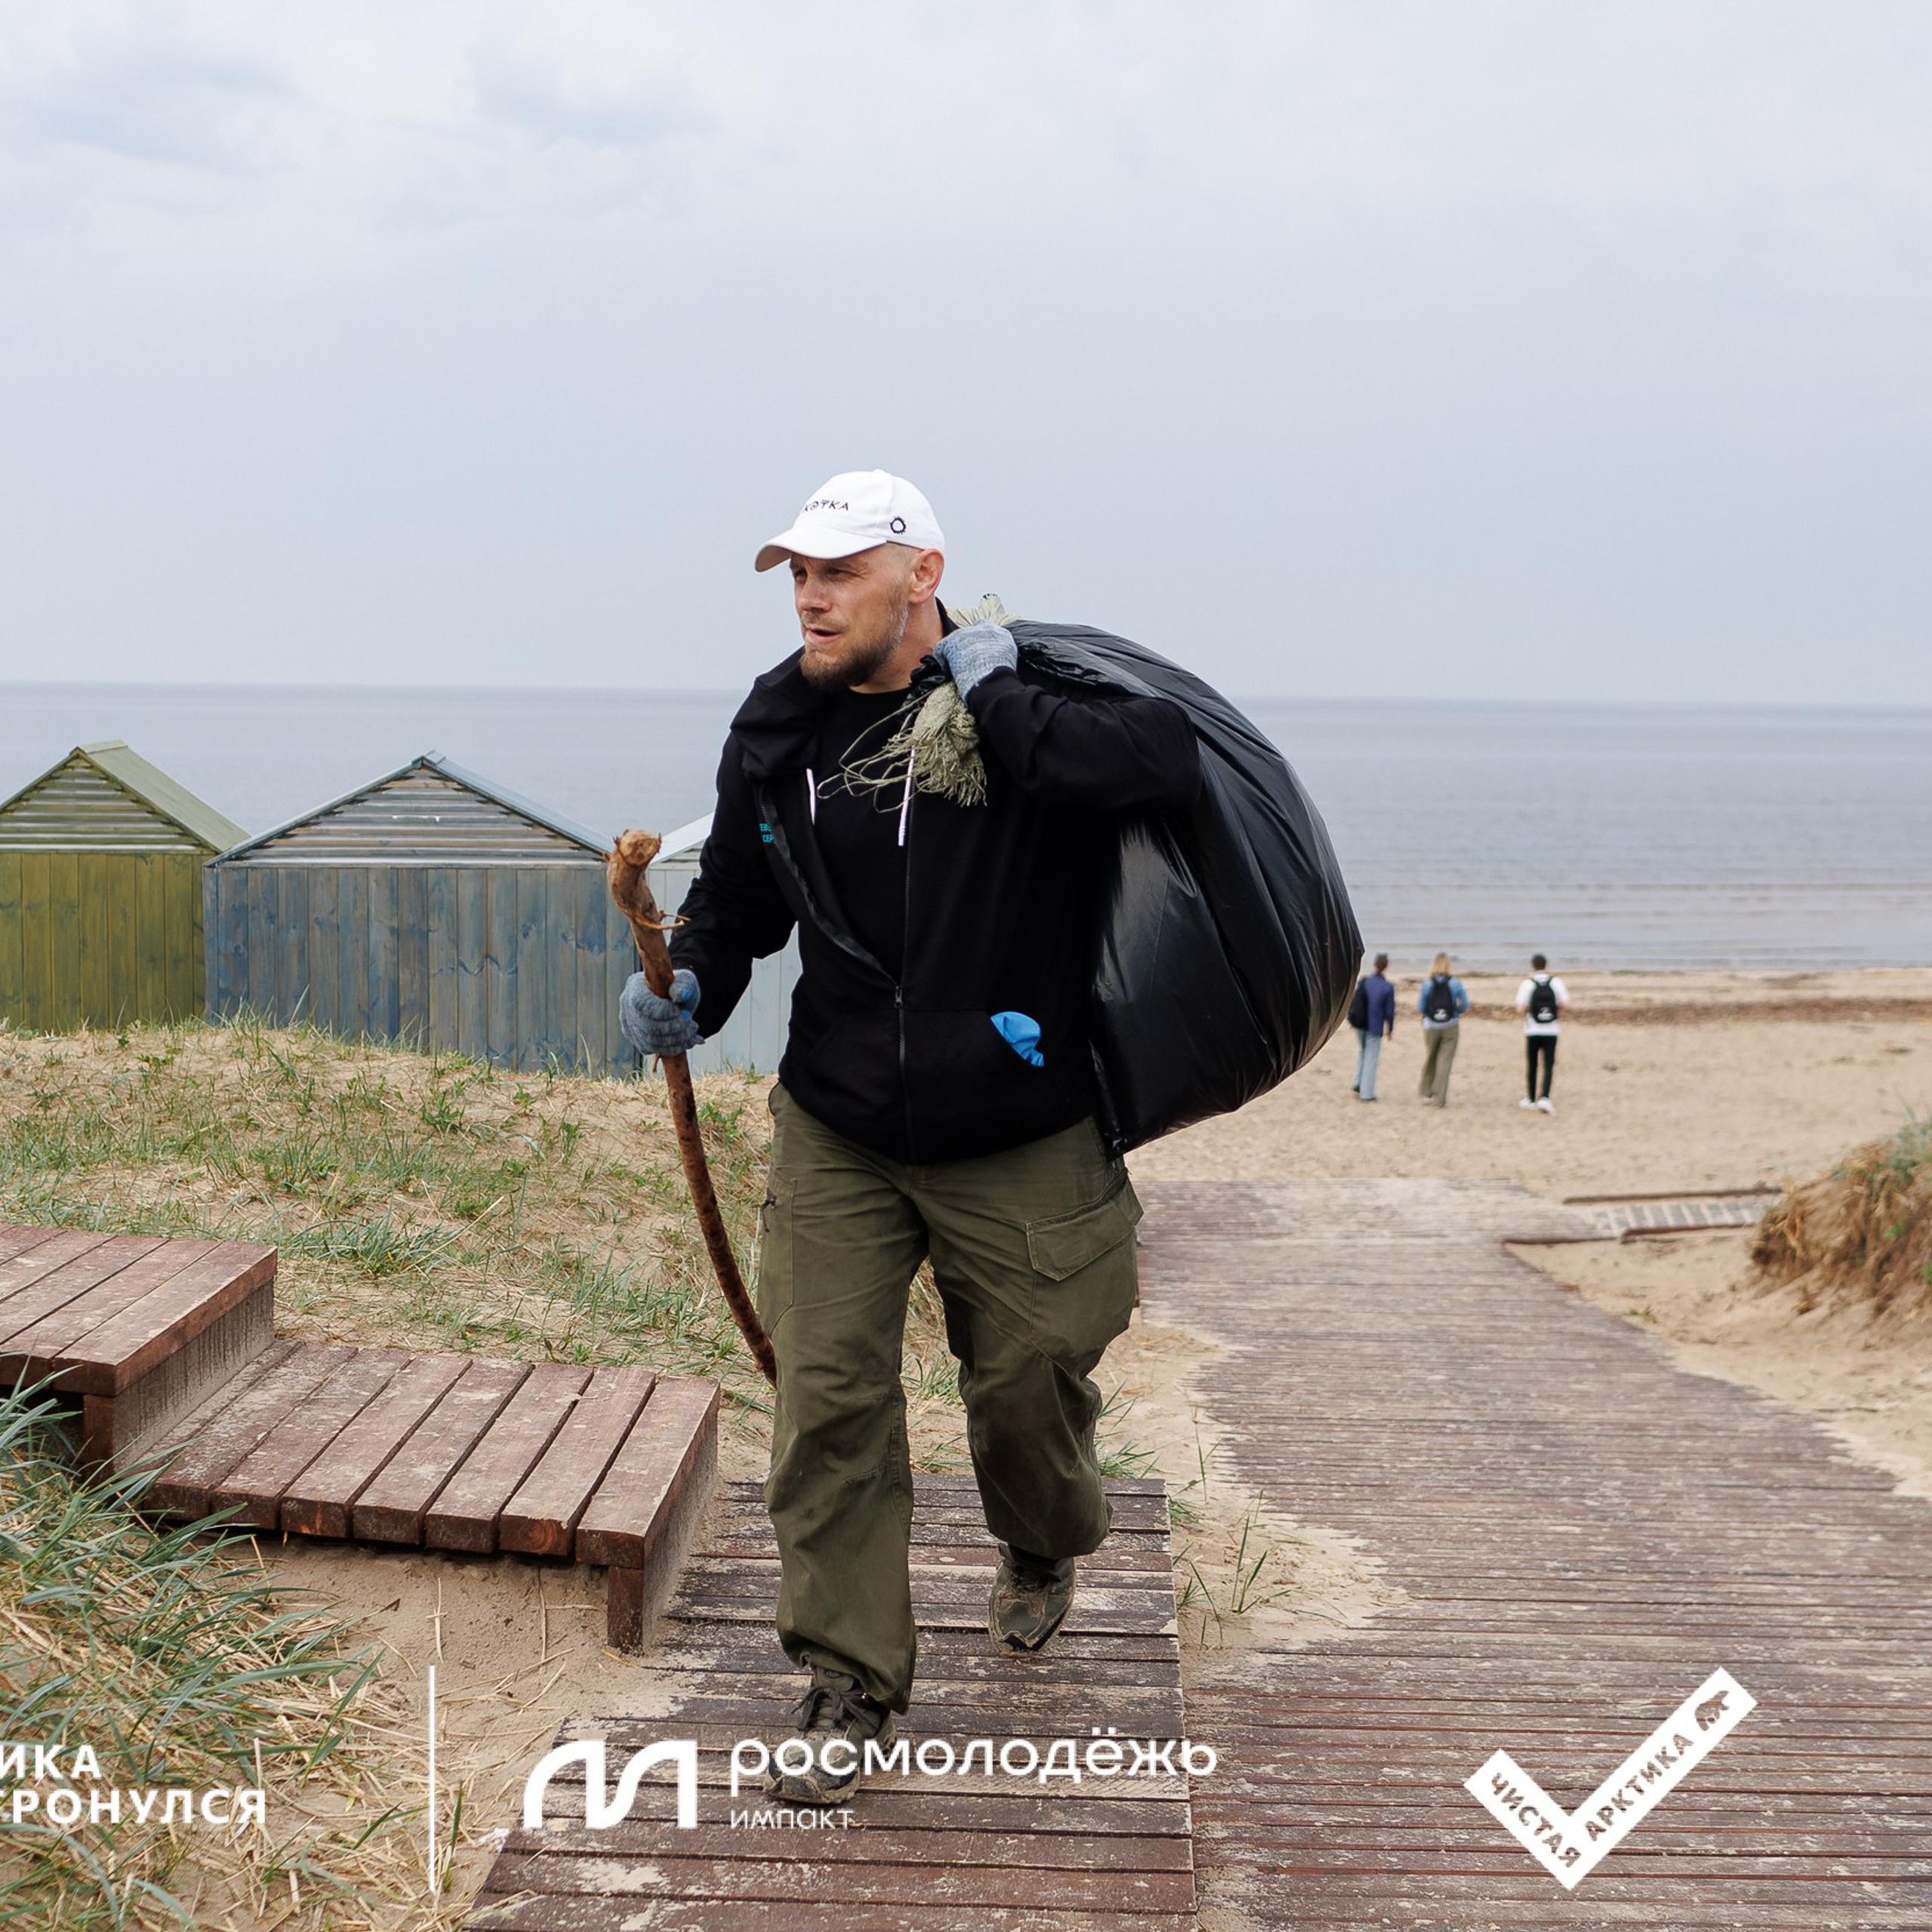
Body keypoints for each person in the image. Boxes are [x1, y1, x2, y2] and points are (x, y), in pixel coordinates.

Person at [617, 470, 1201, 1808]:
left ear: (920, 575)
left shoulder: (1023, 707)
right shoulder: (778, 727)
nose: (811, 598)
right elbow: (741, 901)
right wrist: (693, 982)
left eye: (839, 574)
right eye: (797, 577)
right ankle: (848, 1679)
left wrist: (993, 692)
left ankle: (1045, 1538)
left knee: (1030, 1382)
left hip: (1020, 1118)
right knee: (828, 1397)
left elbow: (1157, 761)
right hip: (843, 1123)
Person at [1515, 952, 1570, 1112]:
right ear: (1546, 966)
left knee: (1532, 1064)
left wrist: (1529, 1013)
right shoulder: (1556, 982)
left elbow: (1520, 1009)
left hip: (1532, 1029)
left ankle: (1531, 1099)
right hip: (1551, 1029)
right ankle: (1545, 1097)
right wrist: (1555, 1015)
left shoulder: (1527, 984)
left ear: (1532, 966)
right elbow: (1565, 1003)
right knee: (1548, 1064)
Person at [1417, 952, 1469, 1106]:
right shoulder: (1455, 982)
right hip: (1450, 1025)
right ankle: (1440, 1098)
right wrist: (1456, 1013)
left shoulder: (1427, 983)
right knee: (1445, 1061)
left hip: (1431, 1026)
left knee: (1431, 1057)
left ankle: (1426, 1092)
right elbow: (1465, 1004)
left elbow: (1421, 1006)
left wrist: (1428, 1015)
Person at [1346, 953, 1396, 1101]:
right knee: (1371, 1058)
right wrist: (1390, 1029)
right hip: (1374, 1026)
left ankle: (1358, 1083)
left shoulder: (1364, 981)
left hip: (1359, 1024)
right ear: (1386, 966)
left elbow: (1354, 1001)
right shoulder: (1387, 987)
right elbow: (1389, 1012)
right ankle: (1367, 1093)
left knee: (1363, 1052)